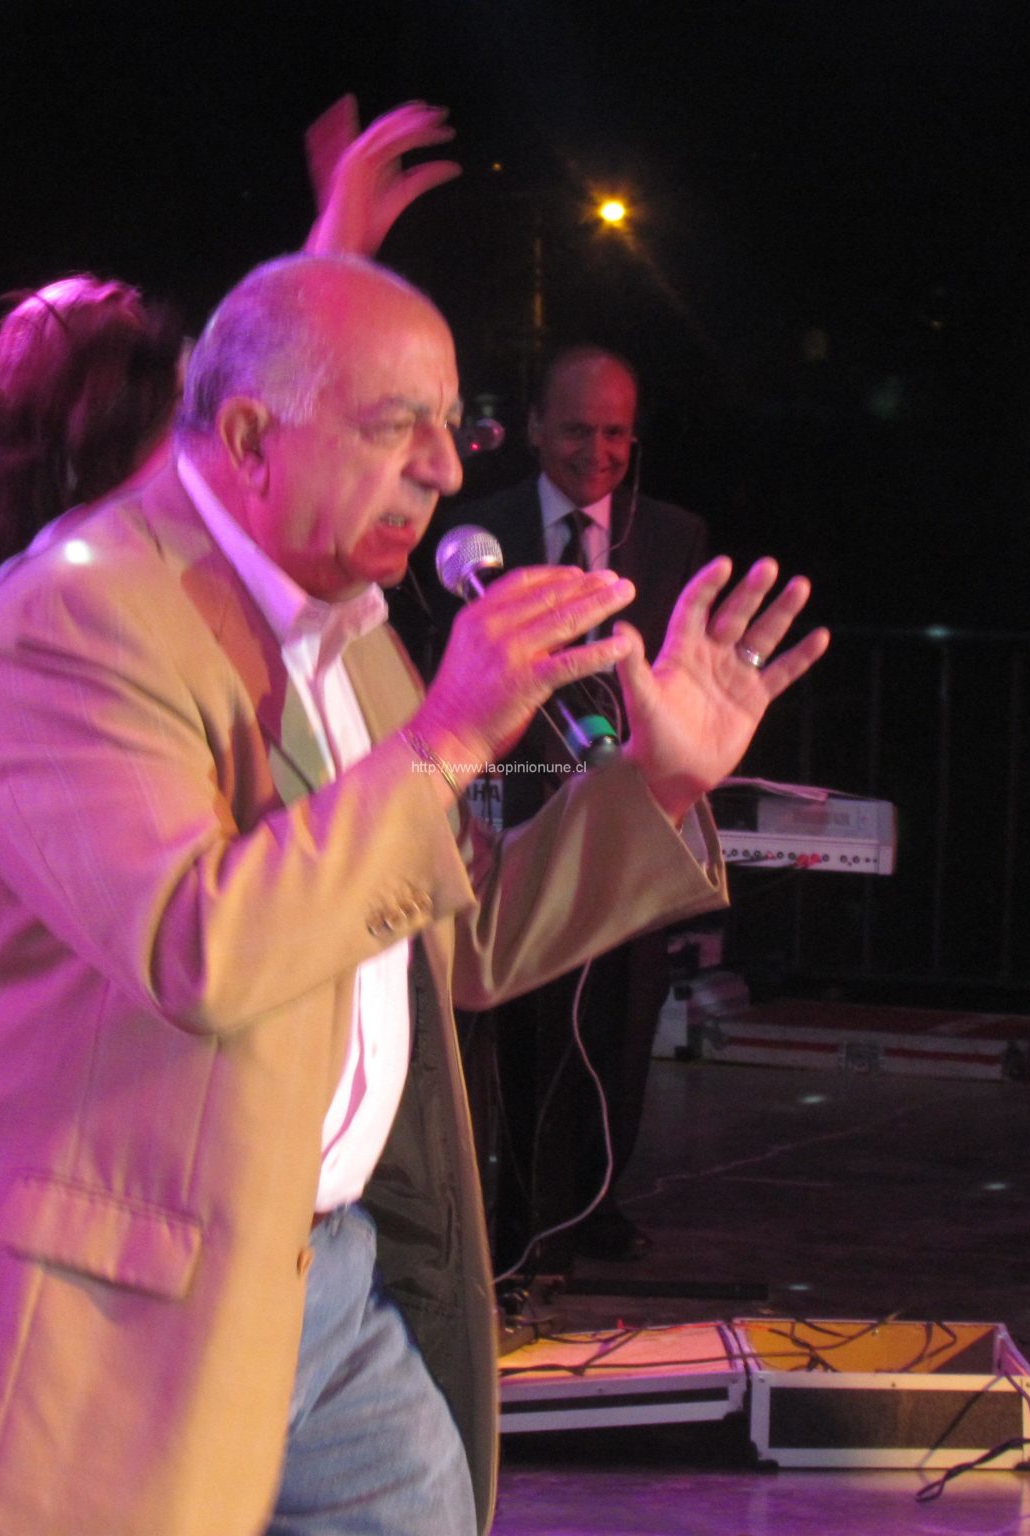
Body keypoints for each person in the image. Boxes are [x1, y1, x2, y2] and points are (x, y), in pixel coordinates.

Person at [0, 251, 827, 1536]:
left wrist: (654, 785)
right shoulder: (80, 620)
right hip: (95, 1310)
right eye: (395, 427)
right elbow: (202, 952)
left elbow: (458, 932)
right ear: (247, 436)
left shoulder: (344, 625)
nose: (447, 470)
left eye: (449, 429)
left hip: (313, 1278)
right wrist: (449, 736)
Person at [0, 98, 460, 1536]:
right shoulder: (58, 579)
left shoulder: (185, 555)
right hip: (16, 1005)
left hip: (205, 1145)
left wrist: (330, 266)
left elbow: (264, 420)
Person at [413, 345, 710, 1272]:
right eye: (578, 428)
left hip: (624, 802)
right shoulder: (474, 534)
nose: (599, 450)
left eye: (617, 431)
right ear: (536, 426)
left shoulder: (672, 536)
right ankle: (513, 1206)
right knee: (517, 1015)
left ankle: (597, 1199)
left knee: (625, 1010)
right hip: (513, 811)